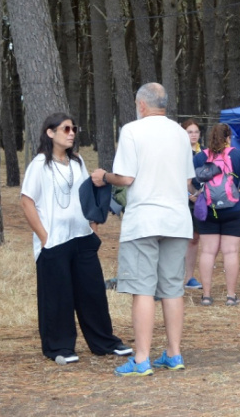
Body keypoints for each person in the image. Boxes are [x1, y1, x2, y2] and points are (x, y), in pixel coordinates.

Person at [91, 83, 194, 377]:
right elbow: (189, 182)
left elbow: (125, 178)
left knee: (142, 290)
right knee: (173, 289)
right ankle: (174, 354)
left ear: (141, 105)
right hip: (177, 219)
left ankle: (141, 359)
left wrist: (103, 176)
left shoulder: (133, 130)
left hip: (144, 221)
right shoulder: (179, 133)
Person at [20, 113, 131, 365]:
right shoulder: (39, 164)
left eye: (73, 128)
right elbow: (26, 201)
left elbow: (86, 194)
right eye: (65, 129)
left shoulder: (77, 162)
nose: (71, 133)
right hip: (54, 242)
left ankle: (104, 342)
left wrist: (92, 225)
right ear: (50, 133)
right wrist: (43, 237)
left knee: (92, 293)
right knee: (58, 296)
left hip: (82, 237)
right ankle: (59, 347)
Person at [193, 123, 240, 306]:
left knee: (208, 252)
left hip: (209, 209)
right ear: (228, 138)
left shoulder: (201, 156)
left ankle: (207, 296)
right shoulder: (238, 155)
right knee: (231, 251)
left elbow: (188, 180)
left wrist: (196, 194)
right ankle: (231, 296)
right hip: (235, 208)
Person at [182, 120, 203, 290]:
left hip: (199, 201)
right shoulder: (178, 152)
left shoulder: (203, 153)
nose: (194, 134)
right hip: (180, 201)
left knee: (194, 238)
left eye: (196, 131)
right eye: (190, 131)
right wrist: (189, 195)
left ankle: (189, 277)